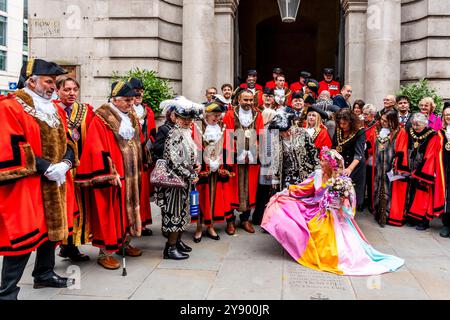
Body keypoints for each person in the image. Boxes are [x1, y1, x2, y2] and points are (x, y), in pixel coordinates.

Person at [261, 147, 404, 275]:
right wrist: (284, 193)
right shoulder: (317, 174)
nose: (320, 163)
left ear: (331, 164)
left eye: (323, 161)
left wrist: (342, 202)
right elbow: (302, 188)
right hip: (315, 208)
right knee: (286, 206)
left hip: (335, 215)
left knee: (325, 239)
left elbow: (349, 204)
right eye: (321, 160)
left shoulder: (342, 181)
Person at [0, 59, 75, 300]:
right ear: (31, 80)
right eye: (49, 81)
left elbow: (69, 140)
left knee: (50, 232)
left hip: (55, 181)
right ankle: (7, 293)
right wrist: (45, 167)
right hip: (28, 184)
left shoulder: (53, 109)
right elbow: (11, 145)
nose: (54, 86)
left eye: (54, 82)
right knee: (22, 239)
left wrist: (66, 162)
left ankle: (44, 274)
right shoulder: (10, 107)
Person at [75, 81, 144, 270]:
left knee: (129, 210)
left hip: (132, 173)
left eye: (132, 100)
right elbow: (96, 147)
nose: (131, 103)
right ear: (115, 99)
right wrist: (108, 171)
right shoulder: (102, 117)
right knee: (111, 213)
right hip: (115, 174)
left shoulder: (131, 116)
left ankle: (124, 243)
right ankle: (105, 252)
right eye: (127, 100)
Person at [54, 76, 95, 262]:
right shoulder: (52, 110)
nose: (71, 93)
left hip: (80, 169)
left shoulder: (85, 110)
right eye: (67, 89)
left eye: (74, 90)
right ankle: (63, 245)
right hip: (59, 171)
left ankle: (72, 245)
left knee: (79, 209)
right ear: (58, 91)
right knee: (62, 210)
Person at [156, 97, 202, 259]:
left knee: (183, 213)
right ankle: (170, 248)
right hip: (174, 183)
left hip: (183, 181)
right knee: (175, 214)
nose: (188, 121)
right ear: (176, 117)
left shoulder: (185, 133)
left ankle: (177, 243)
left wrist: (195, 164)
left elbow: (187, 156)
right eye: (184, 118)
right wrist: (192, 174)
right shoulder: (175, 134)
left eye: (190, 119)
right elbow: (175, 162)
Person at [390, 113, 445, 229]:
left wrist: (421, 171)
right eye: (414, 124)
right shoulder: (408, 131)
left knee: (422, 196)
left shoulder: (432, 135)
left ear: (425, 124)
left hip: (423, 169)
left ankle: (423, 221)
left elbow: (430, 155)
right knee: (408, 193)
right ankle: (410, 217)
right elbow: (401, 148)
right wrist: (402, 167)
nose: (415, 127)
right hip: (409, 167)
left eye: (418, 125)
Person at [223, 89, 264, 235]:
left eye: (250, 100)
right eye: (245, 100)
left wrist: (254, 151)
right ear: (239, 100)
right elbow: (227, 136)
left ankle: (246, 219)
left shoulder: (258, 114)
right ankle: (230, 221)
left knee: (250, 189)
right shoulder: (229, 114)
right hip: (234, 157)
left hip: (251, 157)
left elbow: (260, 134)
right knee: (231, 189)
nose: (248, 103)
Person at [192, 102, 231, 242]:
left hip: (216, 169)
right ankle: (198, 228)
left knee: (214, 198)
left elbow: (226, 147)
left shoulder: (223, 127)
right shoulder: (197, 126)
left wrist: (220, 163)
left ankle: (210, 226)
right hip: (202, 169)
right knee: (200, 199)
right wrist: (205, 162)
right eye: (214, 115)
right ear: (207, 114)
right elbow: (194, 148)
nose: (217, 118)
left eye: (219, 115)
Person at [129, 77, 155, 237]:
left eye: (140, 91)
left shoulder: (148, 110)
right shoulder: (125, 110)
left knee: (143, 191)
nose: (138, 94)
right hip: (129, 156)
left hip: (143, 156)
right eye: (135, 91)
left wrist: (147, 147)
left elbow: (153, 133)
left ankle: (143, 223)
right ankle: (131, 224)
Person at [269, 108, 319, 191]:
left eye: (289, 130)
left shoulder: (302, 133)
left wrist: (318, 168)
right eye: (283, 132)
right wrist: (275, 177)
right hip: (288, 176)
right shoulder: (275, 140)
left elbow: (313, 151)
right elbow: (275, 159)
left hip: (306, 173)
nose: (288, 133)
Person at [371, 110, 403, 227]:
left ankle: (388, 214)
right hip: (379, 166)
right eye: (382, 120)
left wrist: (395, 167)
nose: (382, 122)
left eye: (386, 121)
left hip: (390, 167)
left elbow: (401, 151)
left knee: (389, 190)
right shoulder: (380, 131)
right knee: (378, 187)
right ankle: (379, 212)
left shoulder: (399, 132)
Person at [332, 108, 366, 210]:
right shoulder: (338, 128)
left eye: (344, 124)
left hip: (355, 164)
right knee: (339, 189)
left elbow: (359, 154)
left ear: (351, 122)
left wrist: (350, 169)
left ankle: (351, 211)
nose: (342, 126)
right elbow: (334, 146)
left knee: (352, 190)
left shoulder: (360, 131)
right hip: (341, 163)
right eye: (340, 123)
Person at [252, 92, 277, 226]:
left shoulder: (264, 129)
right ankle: (262, 217)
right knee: (265, 193)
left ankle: (259, 216)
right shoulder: (267, 130)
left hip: (263, 165)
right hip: (266, 166)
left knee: (262, 193)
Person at [439, 102, 450, 237]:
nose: (449, 116)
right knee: (447, 197)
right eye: (446, 114)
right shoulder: (440, 133)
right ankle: (447, 224)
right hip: (445, 169)